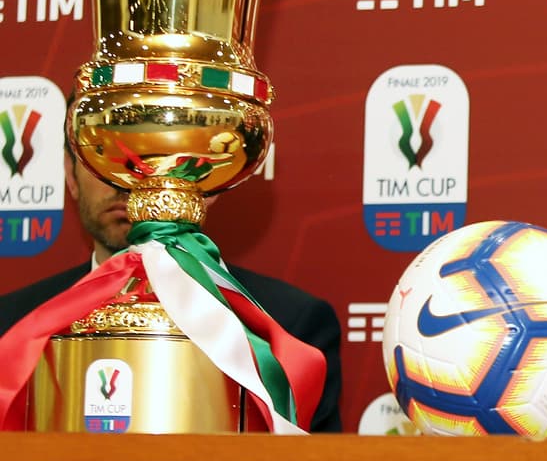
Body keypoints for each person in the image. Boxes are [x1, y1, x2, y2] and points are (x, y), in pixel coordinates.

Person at [0, 147, 344, 433]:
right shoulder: (13, 325)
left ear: (207, 182)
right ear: (70, 173)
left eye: (159, 155)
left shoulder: (287, 326)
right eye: (104, 154)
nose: (133, 179)